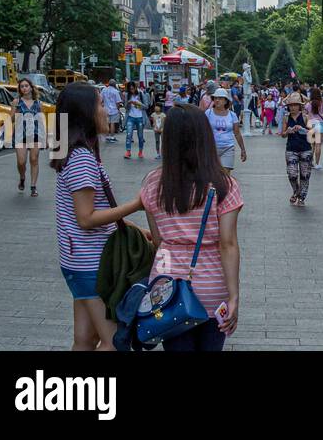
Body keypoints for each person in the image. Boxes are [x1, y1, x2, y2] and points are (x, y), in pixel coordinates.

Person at [140, 104, 243, 351]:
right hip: (211, 284)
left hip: (167, 286)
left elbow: (157, 239)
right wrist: (234, 295)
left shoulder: (153, 182)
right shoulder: (223, 185)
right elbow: (228, 244)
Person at [51, 82, 144, 350]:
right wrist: (137, 204)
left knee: (86, 339)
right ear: (85, 112)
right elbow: (86, 218)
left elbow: (87, 213)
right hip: (90, 263)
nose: (107, 109)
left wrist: (130, 226)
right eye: (101, 104)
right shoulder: (82, 159)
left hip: (77, 260)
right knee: (114, 342)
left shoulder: (72, 152)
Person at [279, 92, 314, 206]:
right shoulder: (285, 117)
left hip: (306, 149)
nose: (293, 107)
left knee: (305, 175)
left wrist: (302, 129)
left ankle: (302, 197)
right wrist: (287, 132)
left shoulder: (305, 116)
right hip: (291, 149)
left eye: (295, 105)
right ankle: (296, 190)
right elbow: (282, 134)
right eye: (291, 105)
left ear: (300, 106)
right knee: (292, 174)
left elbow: (313, 134)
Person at [13, 77, 45, 196]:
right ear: (20, 89)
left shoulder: (38, 103)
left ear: (31, 87)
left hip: (35, 134)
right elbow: (11, 119)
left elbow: (41, 121)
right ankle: (22, 177)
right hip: (21, 134)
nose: (24, 88)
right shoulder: (16, 102)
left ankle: (33, 186)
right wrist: (16, 111)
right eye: (22, 86)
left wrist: (45, 138)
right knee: (21, 162)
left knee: (34, 160)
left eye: (26, 86)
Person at [206, 89, 247, 173]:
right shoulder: (208, 113)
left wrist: (243, 149)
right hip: (211, 148)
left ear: (226, 101)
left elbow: (237, 133)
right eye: (215, 98)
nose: (217, 100)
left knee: (225, 176)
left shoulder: (232, 115)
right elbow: (202, 131)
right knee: (213, 175)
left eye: (220, 98)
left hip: (228, 148)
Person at [123, 84, 147, 161]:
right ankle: (128, 151)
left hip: (140, 117)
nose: (132, 90)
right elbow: (125, 107)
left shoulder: (141, 94)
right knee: (129, 134)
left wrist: (138, 103)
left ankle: (140, 151)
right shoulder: (127, 95)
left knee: (140, 136)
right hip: (130, 117)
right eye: (130, 89)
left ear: (135, 88)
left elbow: (146, 106)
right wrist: (129, 103)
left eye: (133, 88)